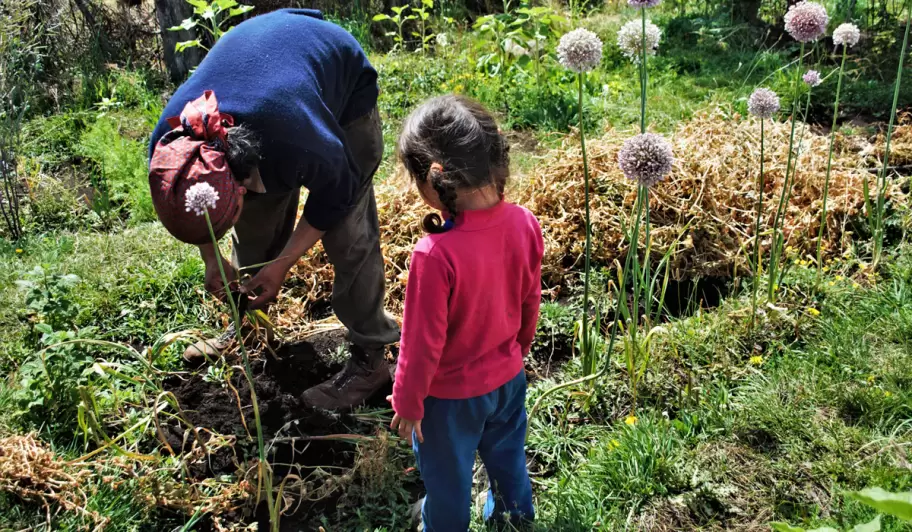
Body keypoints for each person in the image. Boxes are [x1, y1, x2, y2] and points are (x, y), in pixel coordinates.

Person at [147, 8, 400, 410]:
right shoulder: (170, 146)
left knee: (349, 236)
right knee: (254, 229)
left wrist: (282, 264)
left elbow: (335, 195)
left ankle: (370, 360)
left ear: (244, 182)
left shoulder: (299, 138)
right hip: (269, 78)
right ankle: (248, 323)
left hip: (340, 86)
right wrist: (212, 260)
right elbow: (200, 212)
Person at [389, 95, 543, 531]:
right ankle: (514, 519)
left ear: (434, 177)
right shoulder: (524, 223)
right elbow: (530, 297)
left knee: (449, 483)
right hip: (508, 381)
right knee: (508, 460)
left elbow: (421, 343)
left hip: (449, 401)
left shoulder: (434, 254)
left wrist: (407, 400)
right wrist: (518, 350)